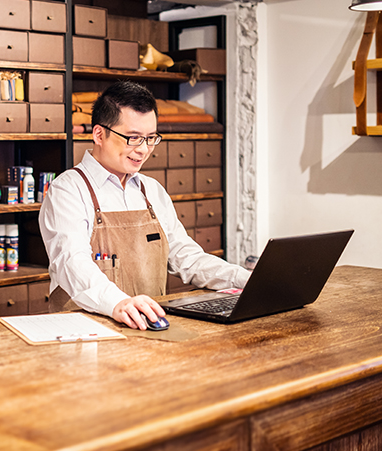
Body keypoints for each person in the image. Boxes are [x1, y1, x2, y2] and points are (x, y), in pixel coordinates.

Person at [39, 81, 251, 330]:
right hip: (85, 333)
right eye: (133, 138)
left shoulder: (152, 191)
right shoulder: (68, 190)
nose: (143, 150)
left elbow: (187, 258)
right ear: (99, 134)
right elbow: (72, 261)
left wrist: (245, 279)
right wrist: (118, 303)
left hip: (147, 328)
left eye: (151, 138)